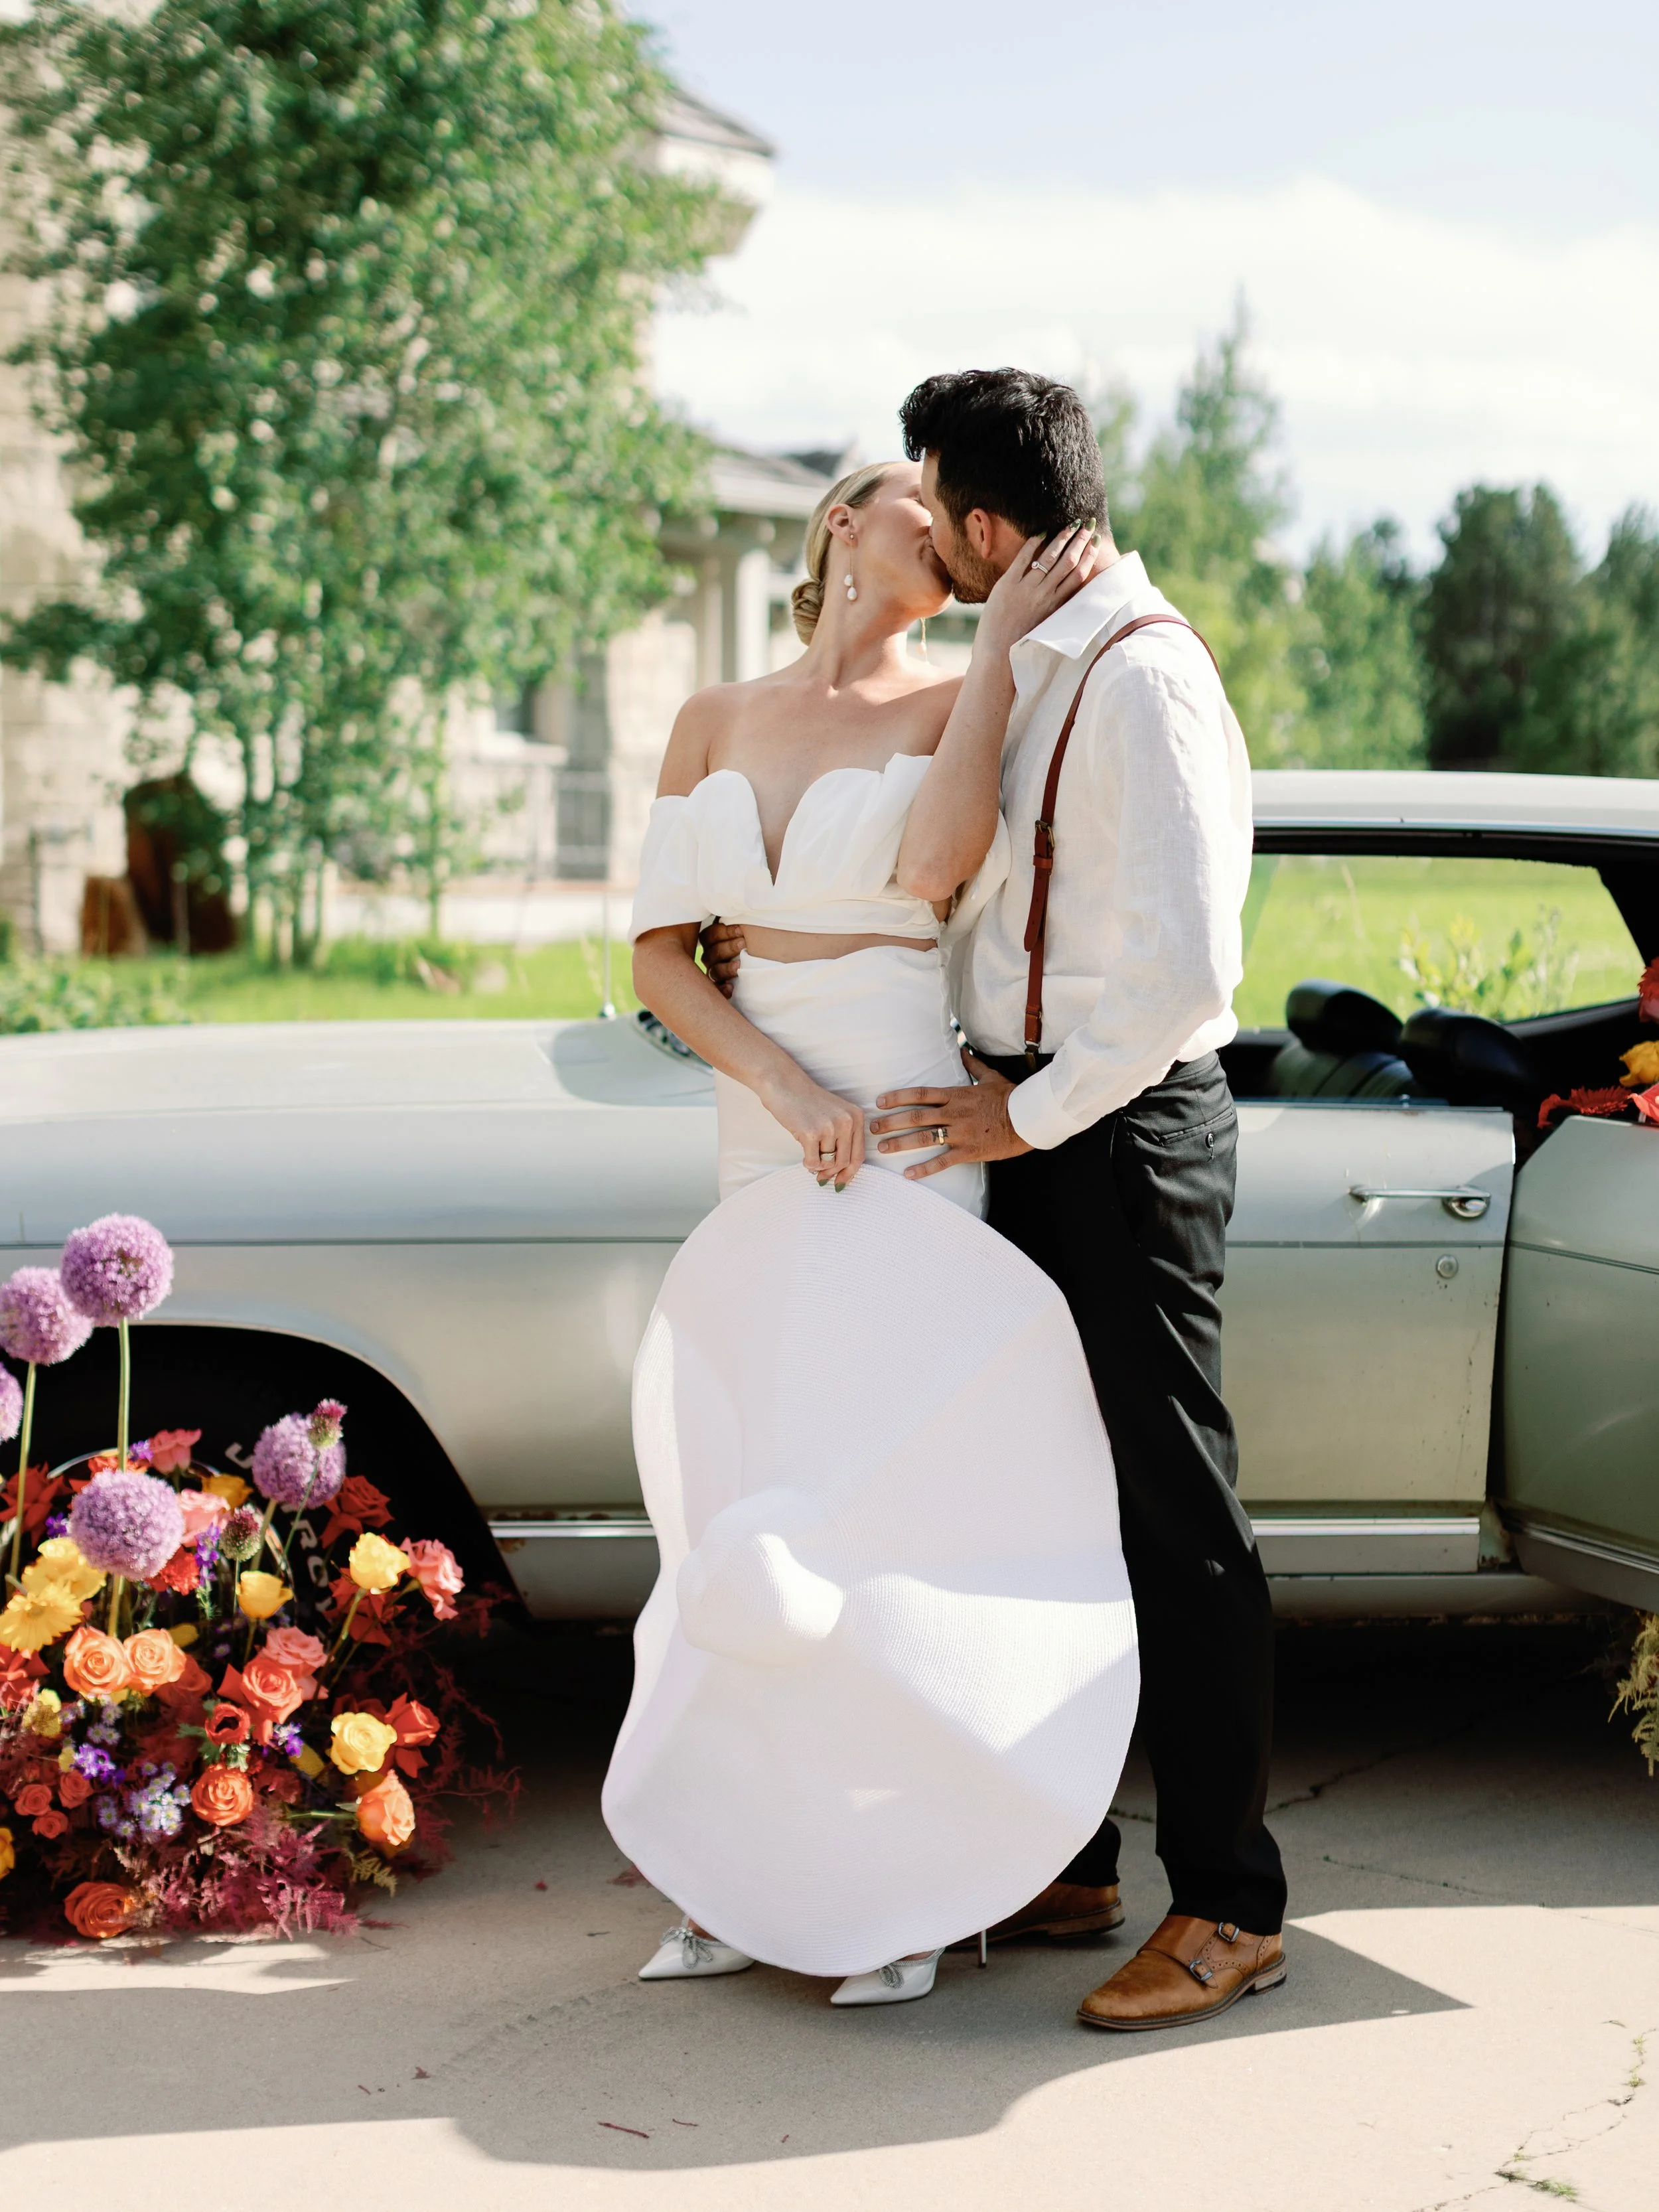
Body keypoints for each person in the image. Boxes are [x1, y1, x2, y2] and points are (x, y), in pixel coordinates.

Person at [603, 459, 1140, 2009]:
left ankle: (914, 1887)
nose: (956, 533)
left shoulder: (948, 702)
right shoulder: (712, 713)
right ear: (843, 519)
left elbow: (925, 873)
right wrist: (774, 1086)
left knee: (889, 1505)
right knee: (743, 1497)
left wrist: (984, 667)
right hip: (761, 1123)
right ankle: (731, 1870)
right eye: (926, 508)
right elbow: (657, 955)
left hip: (905, 1116)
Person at [862, 369, 1289, 2031]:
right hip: (1030, 1128)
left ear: (983, 526)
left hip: (1111, 1131)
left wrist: (1020, 1116)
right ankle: (1076, 1858)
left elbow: (1182, 972)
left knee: (1177, 1521)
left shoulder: (1141, 678)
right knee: (1055, 1507)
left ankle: (1232, 1906)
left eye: (933, 506)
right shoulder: (1031, 661)